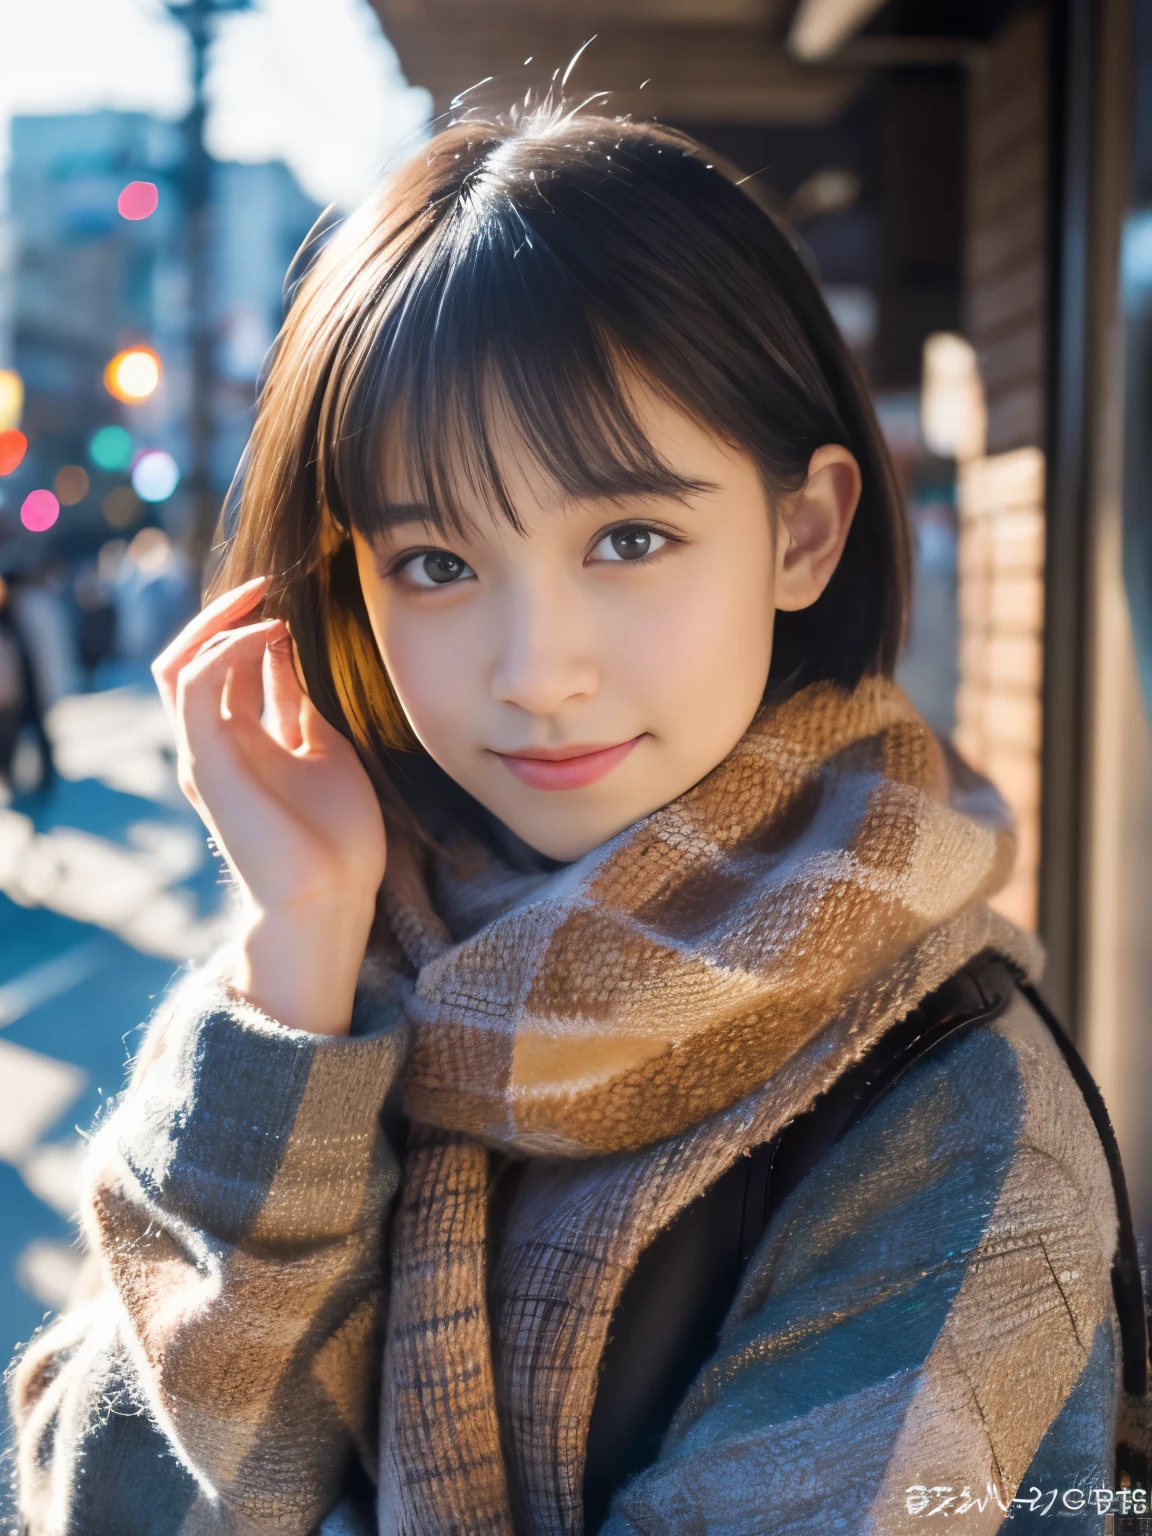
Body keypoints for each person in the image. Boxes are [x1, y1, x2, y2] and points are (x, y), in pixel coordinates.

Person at [9, 107, 1148, 1535]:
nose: (537, 672)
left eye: (629, 540)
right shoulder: (331, 983)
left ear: (804, 532)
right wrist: (293, 962)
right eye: (435, 560)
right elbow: (103, 1503)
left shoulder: (952, 1116)